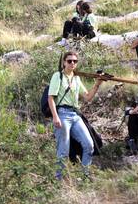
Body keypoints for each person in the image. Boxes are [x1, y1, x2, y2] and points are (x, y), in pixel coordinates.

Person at [48, 51, 103, 180]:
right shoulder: (58, 76)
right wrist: (55, 117)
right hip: (62, 114)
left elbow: (88, 97)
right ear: (64, 62)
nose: (72, 63)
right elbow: (51, 98)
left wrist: (97, 84)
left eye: (75, 61)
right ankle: (58, 179)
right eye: (69, 61)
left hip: (75, 114)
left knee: (89, 144)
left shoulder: (77, 78)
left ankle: (85, 176)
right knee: (63, 150)